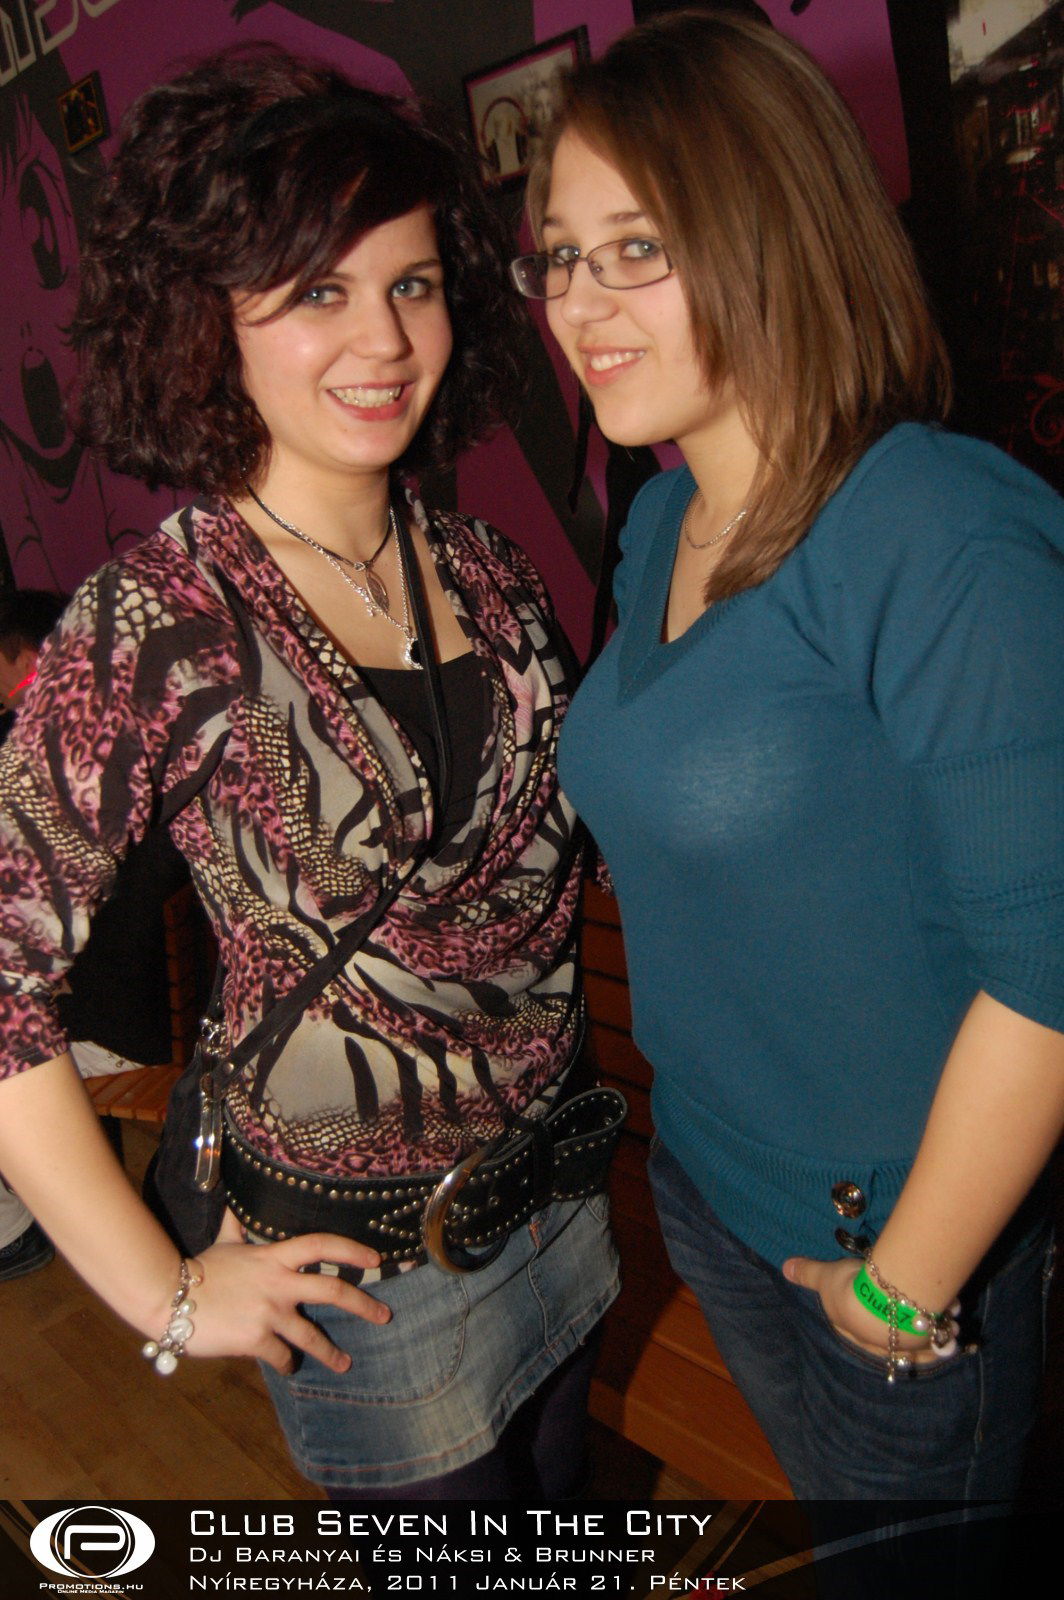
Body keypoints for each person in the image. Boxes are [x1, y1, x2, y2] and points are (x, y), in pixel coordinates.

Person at [0, 43, 619, 1499]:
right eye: (318, 293)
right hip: (373, 1291)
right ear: (208, 318)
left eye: (412, 283)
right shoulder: (159, 621)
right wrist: (163, 1294)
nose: (384, 340)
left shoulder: (486, 570)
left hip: (572, 1198)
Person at [515, 8, 1064, 1511]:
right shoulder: (659, 523)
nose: (580, 304)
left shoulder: (937, 531)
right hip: (710, 1188)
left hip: (902, 1245)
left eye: (637, 248)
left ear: (771, 232)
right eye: (560, 255)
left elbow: (1051, 974)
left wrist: (901, 1289)